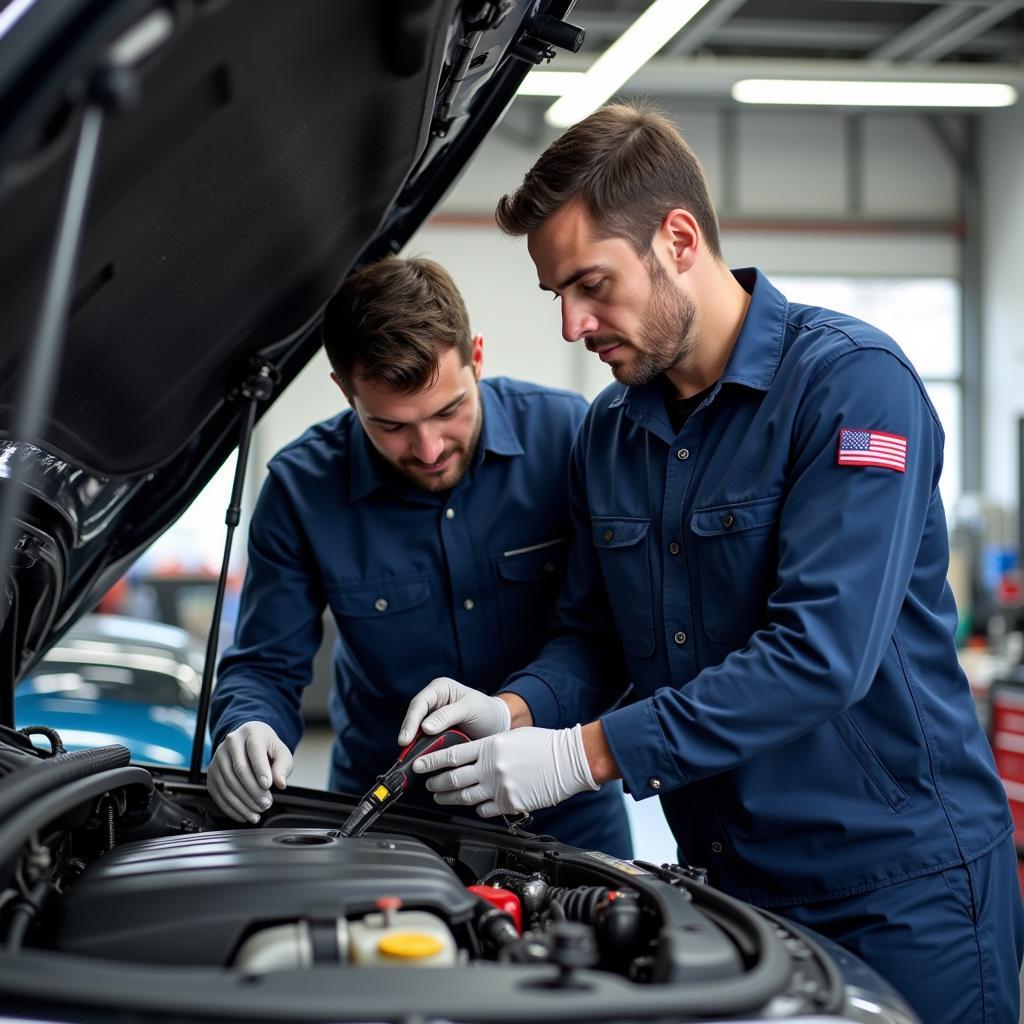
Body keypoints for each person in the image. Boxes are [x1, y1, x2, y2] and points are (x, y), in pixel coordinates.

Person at [401, 103, 1024, 1023]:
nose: (573, 325)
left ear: (679, 239)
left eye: (591, 285)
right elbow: (592, 637)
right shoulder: (610, 434)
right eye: (556, 297)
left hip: (899, 889)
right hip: (729, 888)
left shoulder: (853, 385)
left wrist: (583, 754)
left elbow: (821, 654)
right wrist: (516, 708)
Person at [206, 255, 632, 858]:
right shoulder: (301, 489)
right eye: (391, 425)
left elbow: (599, 637)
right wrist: (248, 726)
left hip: (563, 801)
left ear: (476, 357)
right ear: (343, 392)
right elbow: (265, 665)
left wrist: (516, 712)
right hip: (386, 815)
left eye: (447, 410)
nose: (428, 448)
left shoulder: (569, 438)